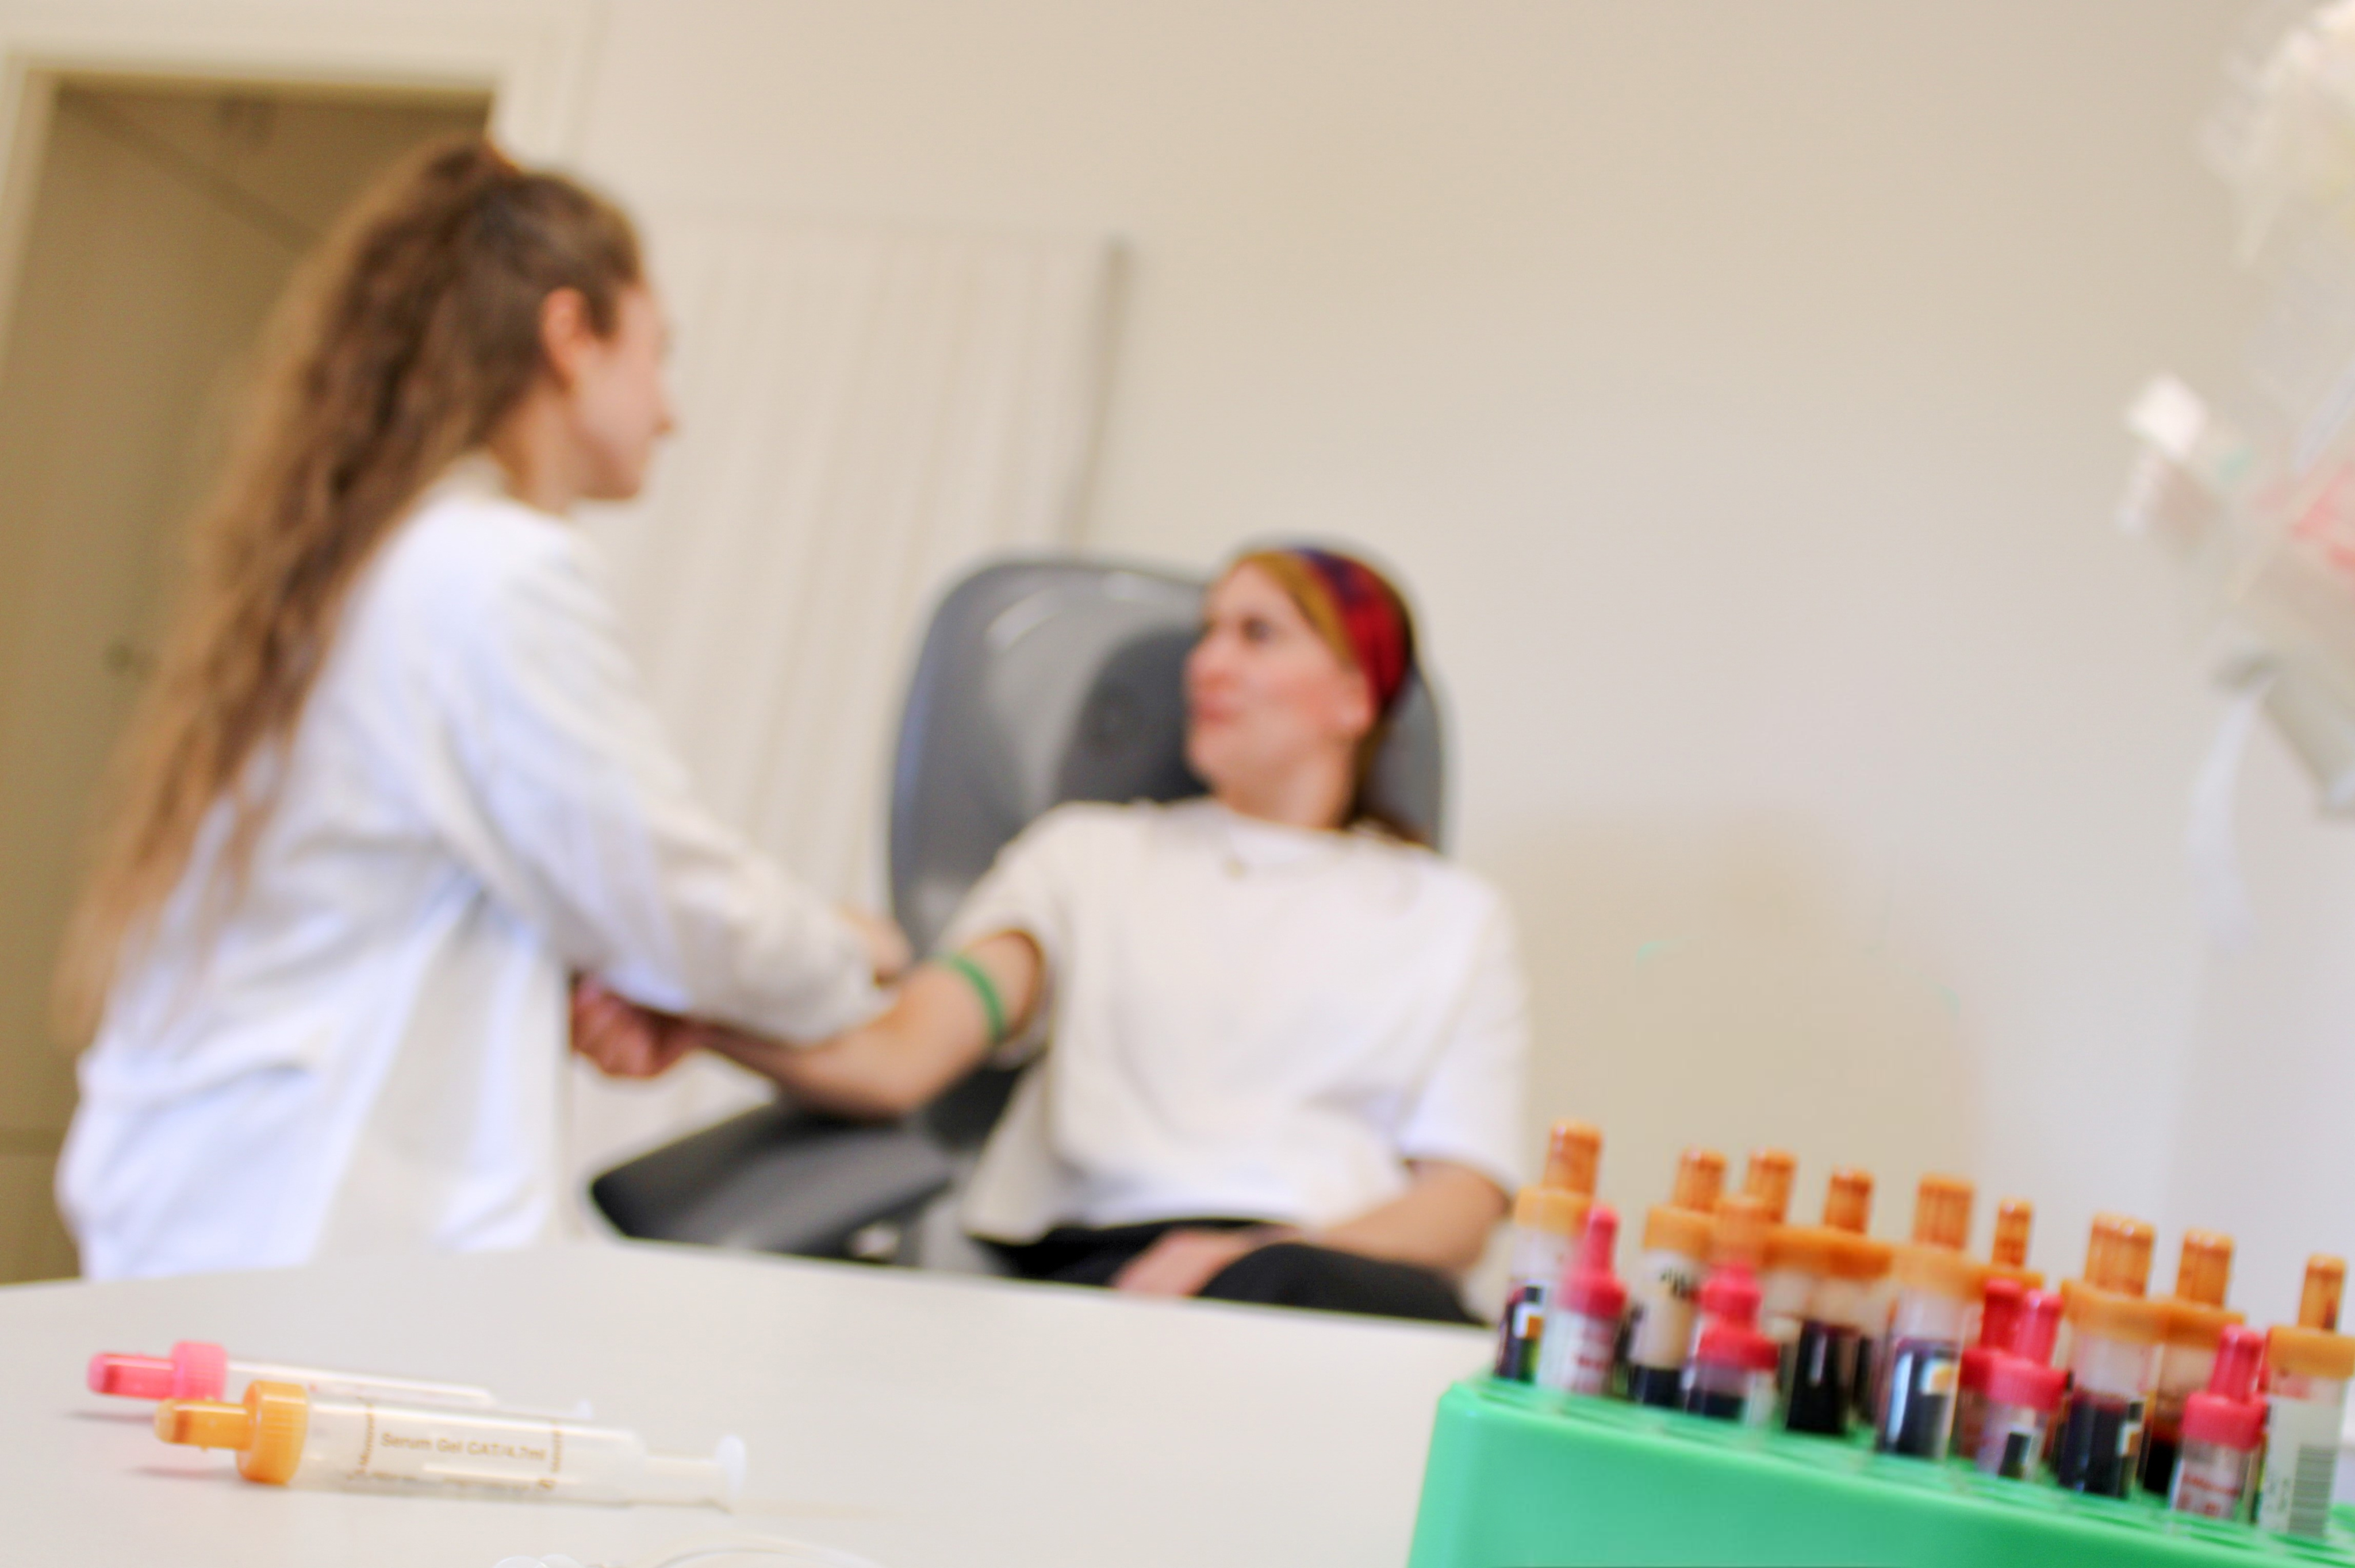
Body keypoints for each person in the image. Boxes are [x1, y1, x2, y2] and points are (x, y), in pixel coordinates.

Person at [55, 137, 903, 1281]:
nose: (670, 412)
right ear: (570, 335)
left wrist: (583, 979)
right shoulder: (488, 573)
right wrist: (853, 952)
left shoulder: (377, 559)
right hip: (289, 1229)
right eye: (658, 355)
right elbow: (662, 893)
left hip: (210, 1200)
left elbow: (463, 890)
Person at [580, 547, 1526, 1322]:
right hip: (1122, 1273)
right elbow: (900, 1054)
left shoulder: (1453, 919)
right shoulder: (1088, 860)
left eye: (1258, 634)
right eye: (1207, 634)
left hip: (1339, 1277)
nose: (1208, 664)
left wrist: (1267, 1254)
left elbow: (1461, 1207)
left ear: (1357, 697)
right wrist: (703, 1017)